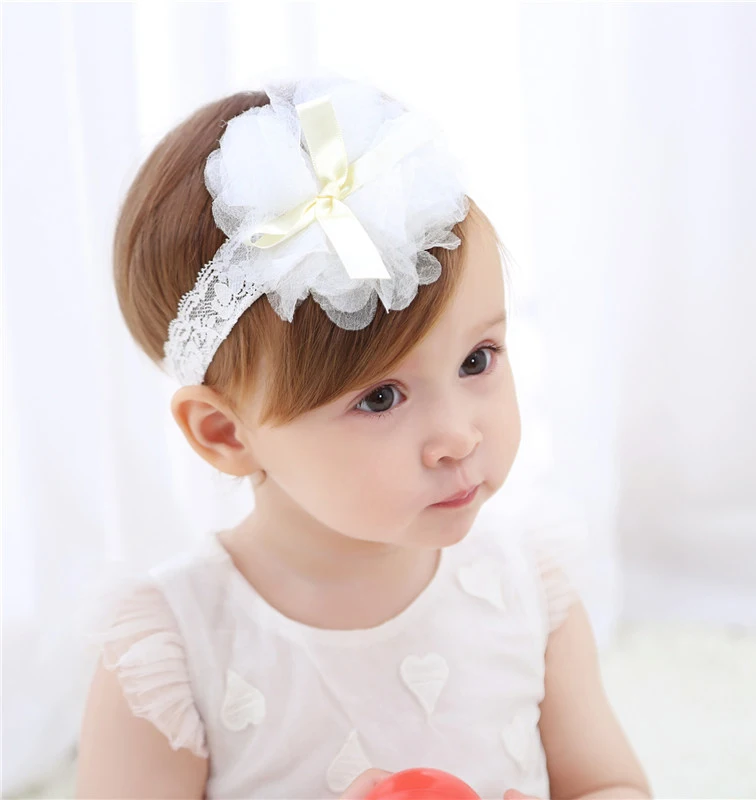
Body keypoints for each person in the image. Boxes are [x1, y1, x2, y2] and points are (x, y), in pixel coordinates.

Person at [75, 73, 651, 800]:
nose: (457, 437)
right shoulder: (175, 649)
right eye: (380, 398)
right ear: (225, 433)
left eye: (477, 360)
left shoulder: (525, 585)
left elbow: (609, 782)